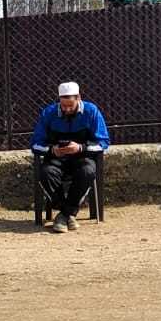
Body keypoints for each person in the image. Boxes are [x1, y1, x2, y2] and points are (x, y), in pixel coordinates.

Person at [31, 83, 111, 233]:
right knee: (46, 173)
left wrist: (81, 148)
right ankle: (69, 214)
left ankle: (63, 216)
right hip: (56, 159)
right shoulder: (48, 113)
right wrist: (52, 150)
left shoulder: (91, 111)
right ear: (59, 100)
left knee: (87, 171)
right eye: (64, 105)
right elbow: (35, 144)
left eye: (70, 105)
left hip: (82, 158)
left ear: (78, 98)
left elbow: (103, 142)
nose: (67, 109)